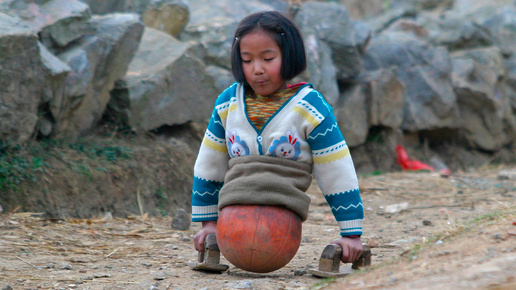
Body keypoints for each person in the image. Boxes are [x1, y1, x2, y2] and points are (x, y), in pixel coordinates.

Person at [191, 10, 364, 264]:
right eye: (247, 60)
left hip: (281, 225)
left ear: (289, 55)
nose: (257, 70)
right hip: (232, 218)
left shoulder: (310, 108)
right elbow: (209, 164)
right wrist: (208, 224)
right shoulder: (227, 104)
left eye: (268, 58)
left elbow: (336, 169)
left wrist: (351, 233)